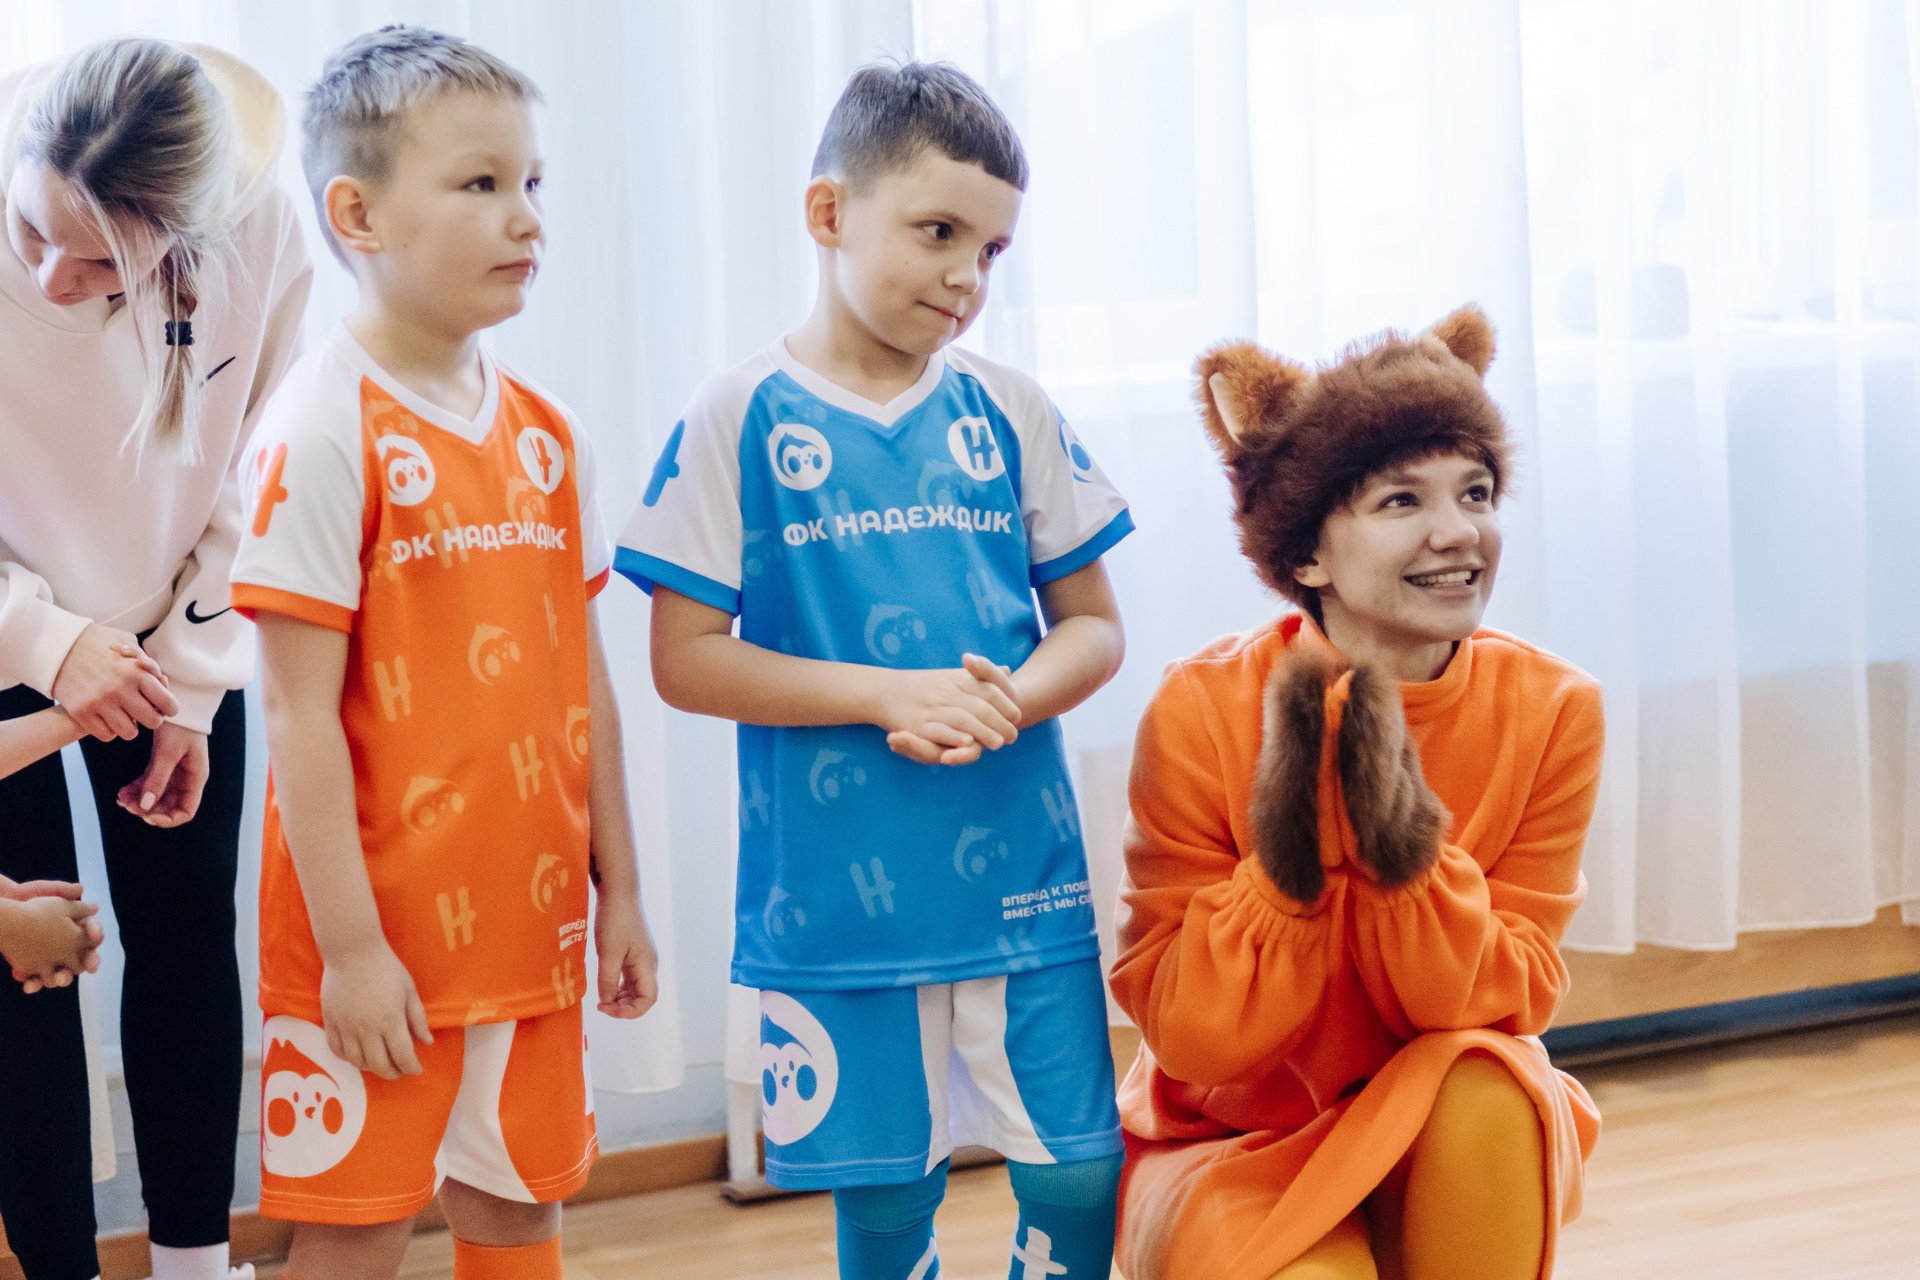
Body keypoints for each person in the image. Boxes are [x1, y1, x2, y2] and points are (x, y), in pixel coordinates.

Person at [626, 60, 1133, 1280]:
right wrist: (886, 693)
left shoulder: (1012, 409)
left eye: (993, 250)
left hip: (1023, 877)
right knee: (888, 1185)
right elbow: (685, 662)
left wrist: (1006, 698)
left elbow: (1094, 628)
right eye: (939, 231)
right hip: (835, 901)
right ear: (829, 213)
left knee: (1078, 1166)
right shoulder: (735, 415)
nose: (967, 276)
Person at [228, 27, 660, 1280]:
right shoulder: (319, 430)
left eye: (533, 182)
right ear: (357, 213)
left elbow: (586, 682)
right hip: (376, 952)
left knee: (519, 1212)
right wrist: (355, 953)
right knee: (356, 1227)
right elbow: (296, 717)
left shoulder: (550, 434)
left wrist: (623, 889)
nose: (526, 216)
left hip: (534, 936)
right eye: (480, 183)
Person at [1108, 307, 1604, 1280]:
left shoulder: (1554, 708)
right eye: (1400, 500)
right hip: (1230, 1138)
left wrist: (1403, 845)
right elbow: (1189, 1034)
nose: (1458, 531)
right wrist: (1292, 858)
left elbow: (1507, 999)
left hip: (1434, 1115)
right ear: (1306, 555)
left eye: (1476, 491)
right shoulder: (1201, 707)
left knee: (1489, 1077)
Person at [0, 37, 313, 1280]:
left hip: (174, 626)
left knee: (185, 933)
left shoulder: (261, 229)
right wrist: (44, 638)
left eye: (100, 263)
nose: (53, 278)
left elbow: (257, 470)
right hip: (7, 622)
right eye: (33, 232)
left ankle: (195, 1263)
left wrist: (190, 684)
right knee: (25, 960)